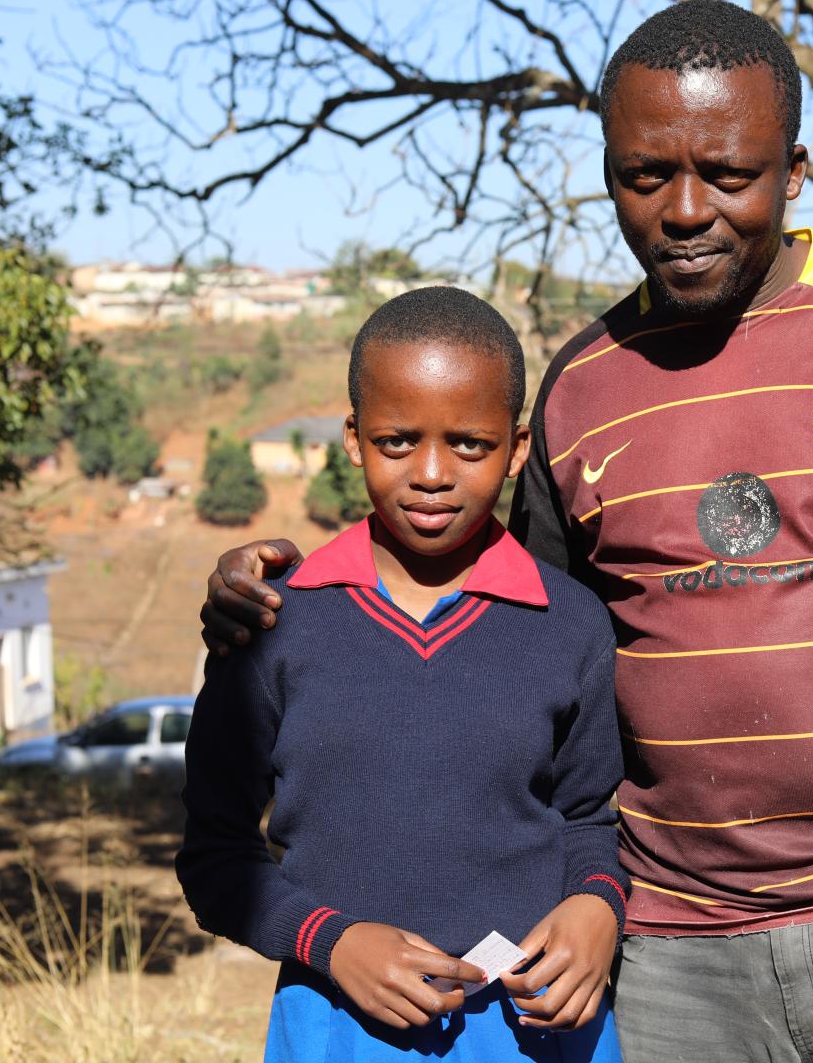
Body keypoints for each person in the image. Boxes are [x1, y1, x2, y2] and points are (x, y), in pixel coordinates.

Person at [200, 0, 813, 1063]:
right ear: (608, 170)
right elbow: (504, 634)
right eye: (646, 175)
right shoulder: (580, 390)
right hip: (677, 948)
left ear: (795, 170)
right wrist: (269, 591)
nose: (686, 209)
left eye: (728, 174)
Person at [178, 286, 629, 1063]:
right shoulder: (274, 627)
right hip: (337, 1026)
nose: (430, 473)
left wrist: (598, 906)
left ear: (518, 450)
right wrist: (332, 942)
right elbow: (214, 855)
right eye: (396, 441)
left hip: (536, 1031)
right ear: (353, 438)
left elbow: (591, 821)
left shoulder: (570, 624)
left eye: (469, 444)